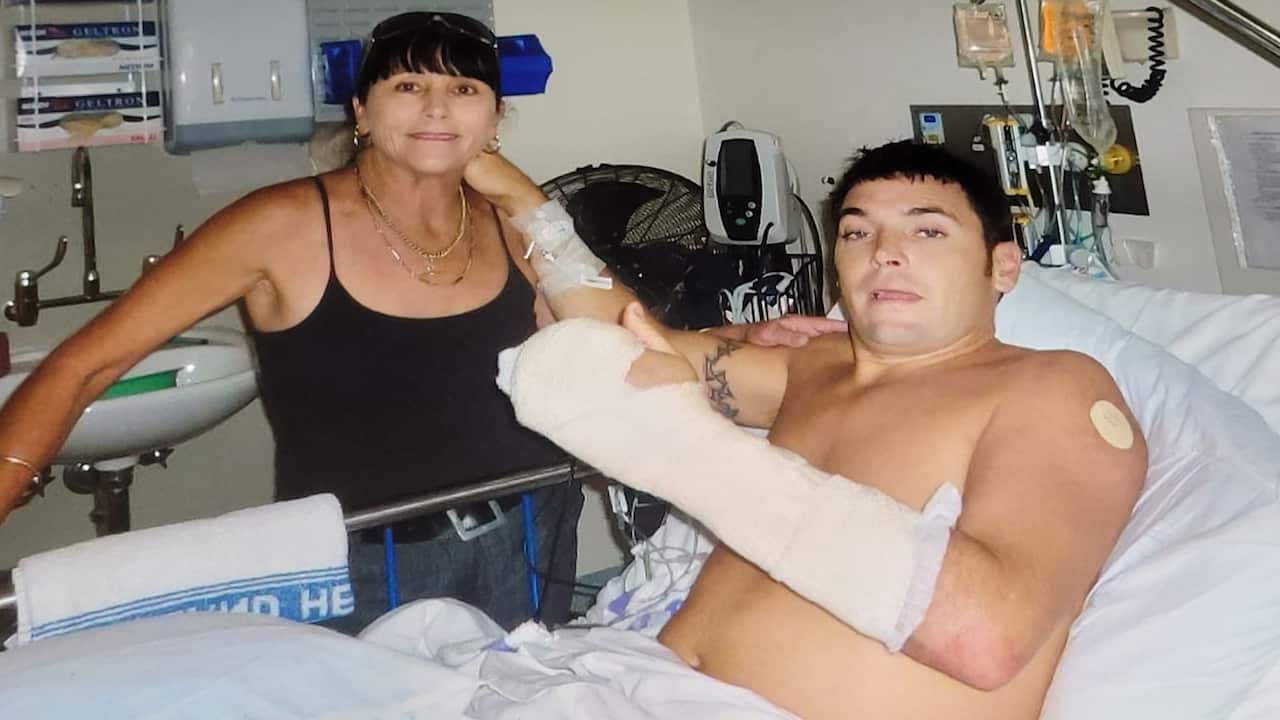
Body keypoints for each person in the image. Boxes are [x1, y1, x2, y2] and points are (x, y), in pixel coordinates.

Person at [0, 11, 841, 633]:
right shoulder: (278, 226)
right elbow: (82, 368)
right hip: (365, 561)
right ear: (361, 111)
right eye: (409, 86)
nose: (438, 107)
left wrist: (745, 339)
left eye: (464, 89)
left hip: (530, 528)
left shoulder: (514, 222)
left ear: (494, 119)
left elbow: (623, 333)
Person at [497, 140, 1148, 720]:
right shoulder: (811, 367)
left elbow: (985, 638)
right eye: (858, 233)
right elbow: (619, 347)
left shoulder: (1054, 386)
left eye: (927, 231)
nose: (885, 254)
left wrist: (689, 450)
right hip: (634, 685)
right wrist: (511, 192)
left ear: (1002, 267)